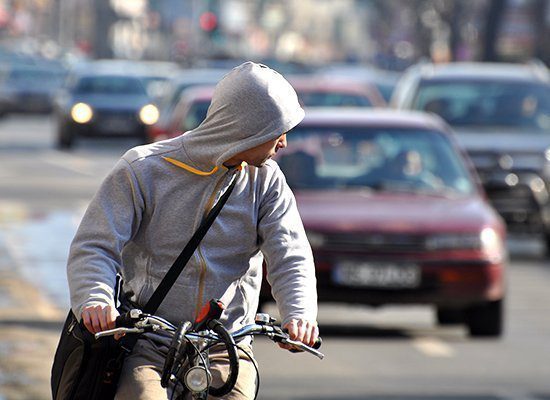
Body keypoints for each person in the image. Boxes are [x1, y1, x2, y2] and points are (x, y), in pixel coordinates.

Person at [66, 62, 319, 400]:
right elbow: (95, 246)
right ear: (247, 129)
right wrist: (95, 299)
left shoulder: (267, 182)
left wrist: (299, 314)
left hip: (225, 344)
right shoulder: (142, 170)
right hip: (148, 341)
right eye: (277, 130)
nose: (285, 142)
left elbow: (291, 255)